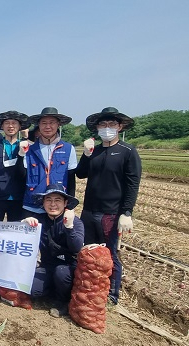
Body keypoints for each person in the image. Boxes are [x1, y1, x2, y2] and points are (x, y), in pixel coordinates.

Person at [76, 107, 141, 305]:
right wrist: (86, 154)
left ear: (120, 127)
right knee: (88, 251)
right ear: (97, 128)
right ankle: (89, 289)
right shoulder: (94, 151)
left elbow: (132, 184)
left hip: (111, 213)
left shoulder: (128, 152)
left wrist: (127, 212)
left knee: (110, 254)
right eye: (103, 125)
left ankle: (111, 295)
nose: (107, 128)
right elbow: (80, 173)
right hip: (89, 210)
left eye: (111, 124)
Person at [23, 183, 84, 318]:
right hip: (47, 266)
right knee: (33, 290)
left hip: (68, 268)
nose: (53, 204)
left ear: (65, 203)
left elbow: (77, 247)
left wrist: (69, 228)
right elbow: (19, 239)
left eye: (57, 200)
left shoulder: (76, 222)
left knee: (61, 273)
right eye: (49, 200)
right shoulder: (39, 221)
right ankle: (53, 290)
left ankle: (63, 301)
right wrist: (24, 224)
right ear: (43, 203)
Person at [23, 107, 77, 218]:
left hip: (57, 208)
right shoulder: (29, 150)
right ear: (39, 125)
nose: (48, 126)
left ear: (58, 124)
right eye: (44, 123)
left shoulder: (68, 148)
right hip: (32, 207)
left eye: (52, 123)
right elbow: (22, 177)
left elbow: (71, 179)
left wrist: (69, 208)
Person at [0, 111, 30, 221]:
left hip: (18, 195)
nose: (11, 126)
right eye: (7, 123)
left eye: (14, 123)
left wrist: (26, 139)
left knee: (16, 230)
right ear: (2, 126)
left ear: (20, 126)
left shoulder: (25, 145)